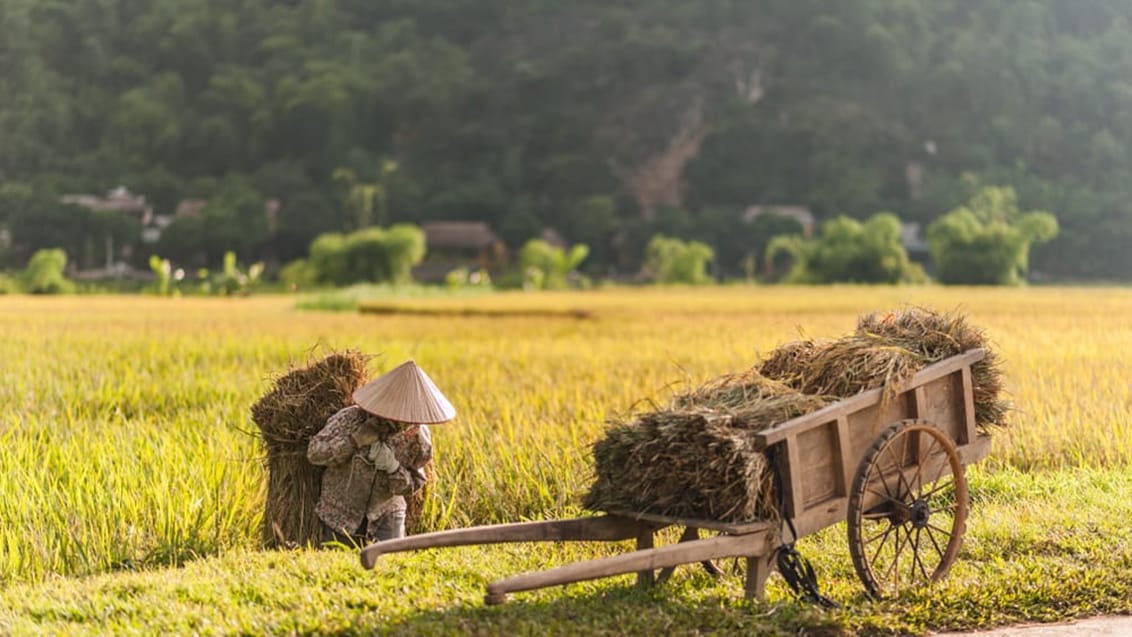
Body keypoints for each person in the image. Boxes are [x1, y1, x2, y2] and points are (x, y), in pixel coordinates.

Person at [307, 359, 456, 545]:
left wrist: (393, 468)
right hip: (341, 512)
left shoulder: (418, 436)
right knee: (340, 565)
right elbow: (314, 453)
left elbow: (413, 485)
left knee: (390, 567)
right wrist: (354, 441)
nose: (402, 424)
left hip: (386, 514)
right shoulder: (350, 419)